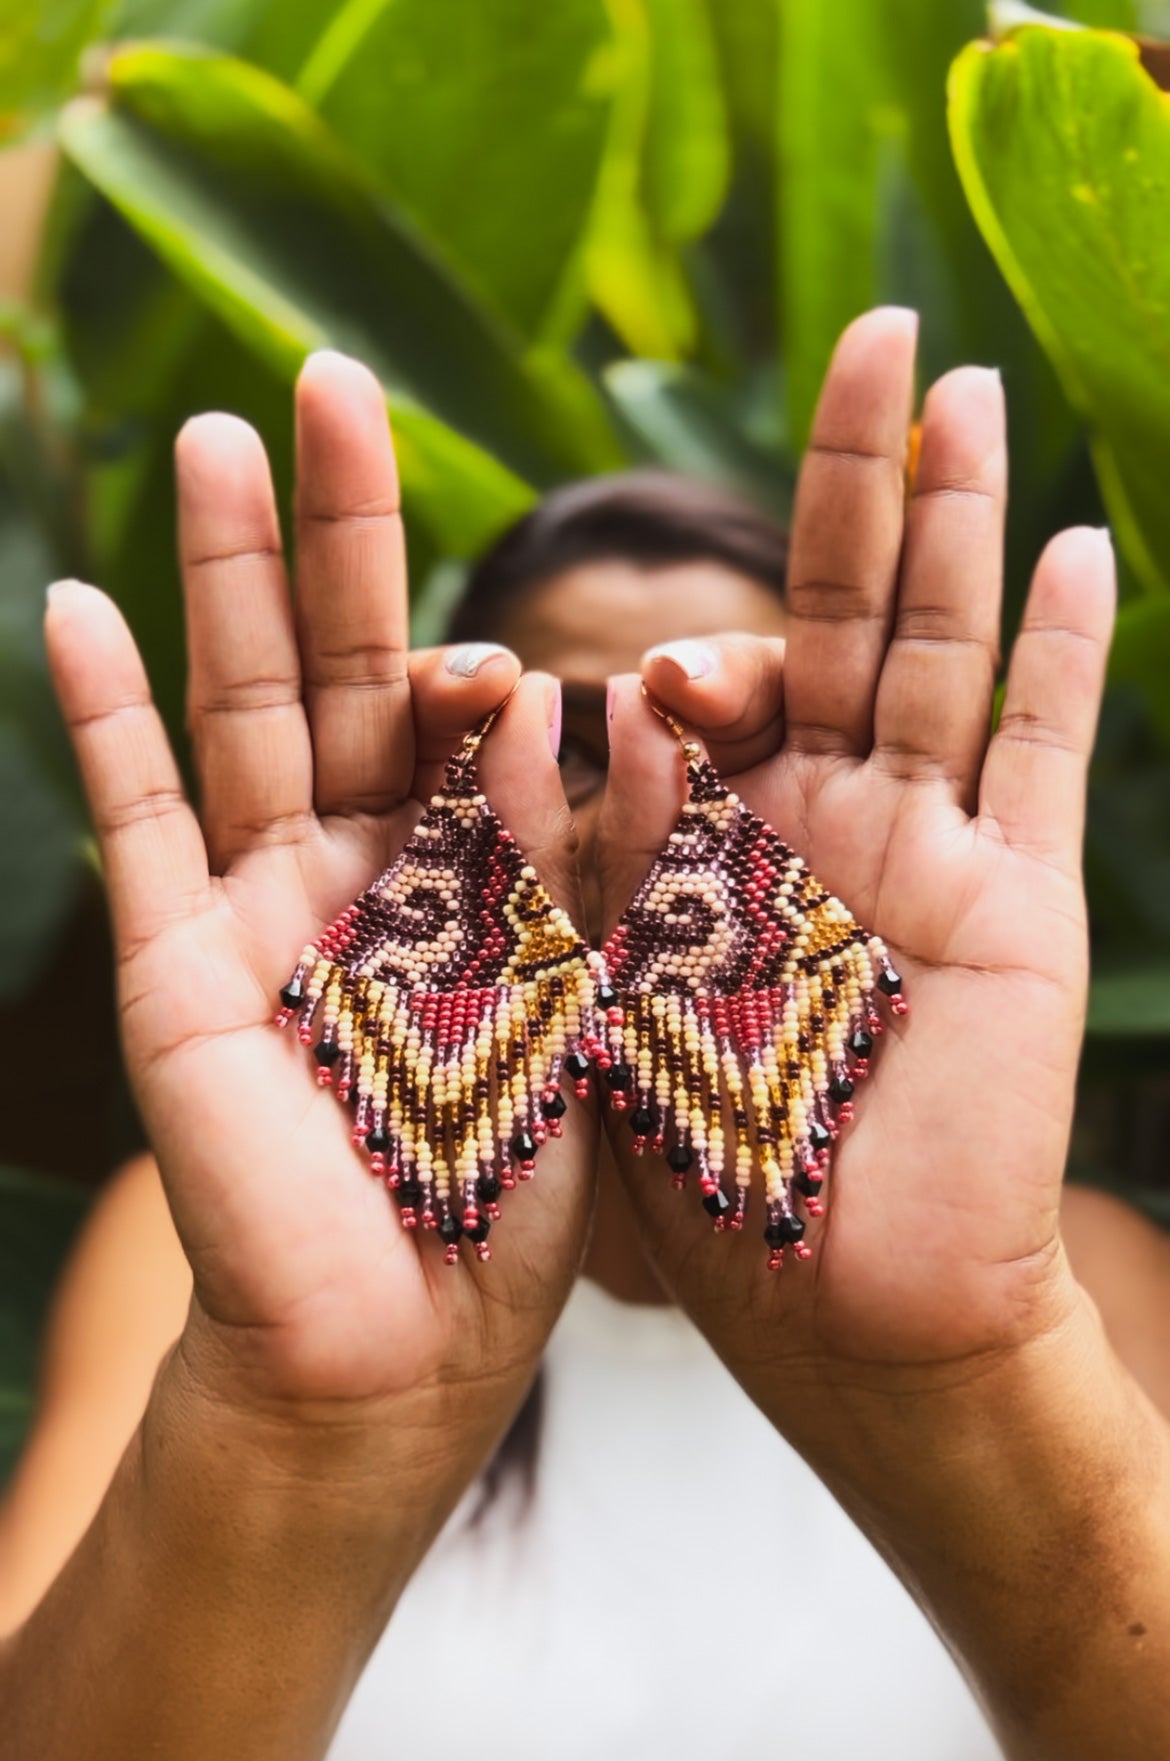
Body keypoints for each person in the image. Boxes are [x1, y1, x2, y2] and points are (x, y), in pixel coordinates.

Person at [2, 307, 1169, 1761]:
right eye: (564, 736)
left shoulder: (1054, 1272)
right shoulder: (200, 1254)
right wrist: (300, 1432)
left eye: (711, 748)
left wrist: (968, 1382)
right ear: (458, 784)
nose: (632, 799)